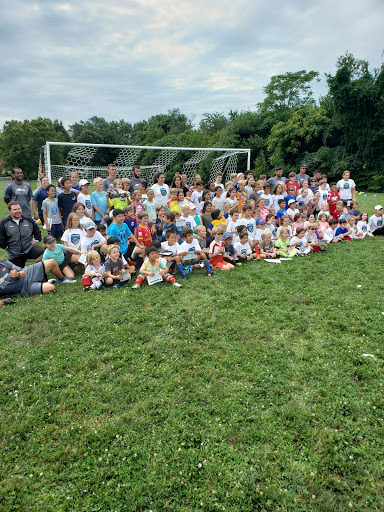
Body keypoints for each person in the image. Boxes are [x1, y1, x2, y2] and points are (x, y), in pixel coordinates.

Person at [0, 201, 44, 267]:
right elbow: (1, 238)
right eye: (15, 209)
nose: (18, 211)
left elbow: (37, 232)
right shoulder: (4, 223)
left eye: (19, 209)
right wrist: (6, 247)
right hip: (15, 253)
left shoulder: (28, 220)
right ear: (9, 211)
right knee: (17, 274)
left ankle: (35, 268)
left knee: (43, 253)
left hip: (29, 248)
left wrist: (36, 240)